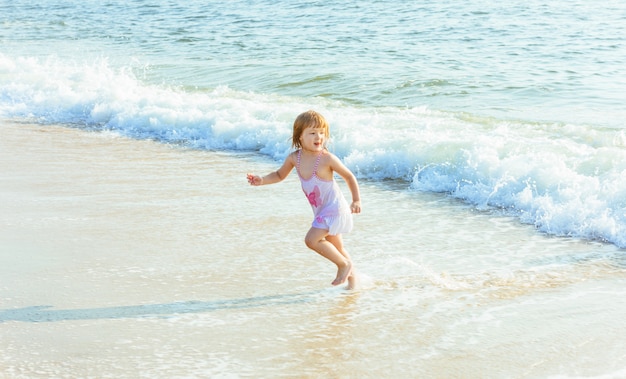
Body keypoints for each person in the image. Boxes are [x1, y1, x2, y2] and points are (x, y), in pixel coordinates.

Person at [247, 110, 361, 289]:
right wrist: (262, 180)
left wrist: (356, 200)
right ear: (299, 136)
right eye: (313, 132)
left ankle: (344, 265)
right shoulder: (295, 158)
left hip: (335, 209)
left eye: (322, 132)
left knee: (311, 240)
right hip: (322, 211)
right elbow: (278, 175)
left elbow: (349, 176)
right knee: (337, 248)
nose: (319, 137)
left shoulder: (326, 159)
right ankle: (354, 284)